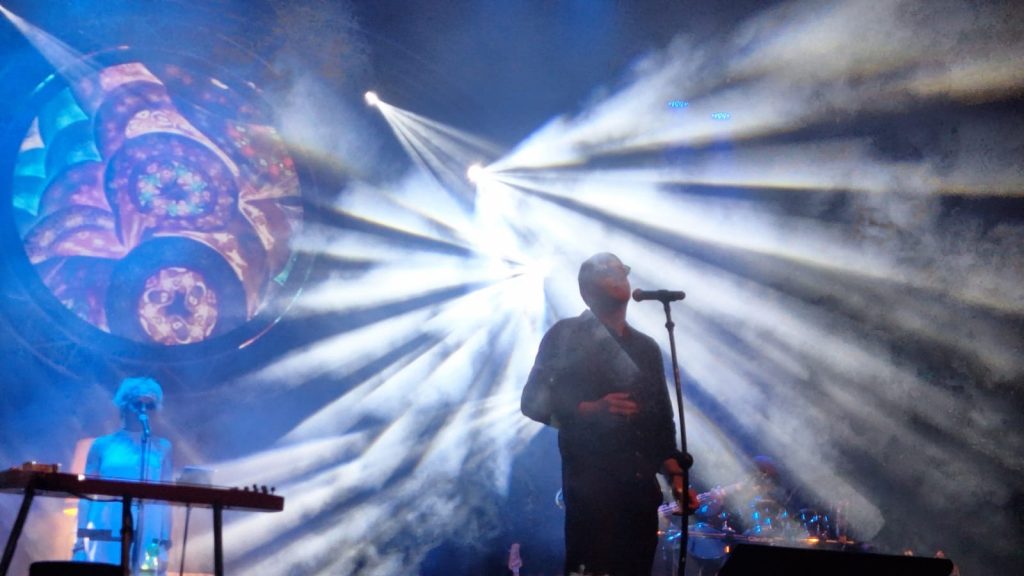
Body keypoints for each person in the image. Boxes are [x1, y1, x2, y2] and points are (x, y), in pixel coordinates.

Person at [521, 252, 693, 576]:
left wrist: (675, 475)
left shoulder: (646, 348)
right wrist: (589, 409)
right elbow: (531, 402)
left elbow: (660, 421)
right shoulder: (565, 335)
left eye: (621, 269)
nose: (618, 275)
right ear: (586, 290)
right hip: (591, 496)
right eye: (606, 270)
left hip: (641, 497)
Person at [72, 376, 173, 575]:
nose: (143, 410)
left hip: (150, 532)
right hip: (105, 525)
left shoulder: (163, 447)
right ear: (124, 406)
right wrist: (80, 542)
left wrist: (164, 544)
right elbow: (86, 496)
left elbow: (166, 499)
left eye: (150, 405)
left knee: (146, 574)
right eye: (137, 404)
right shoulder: (102, 445)